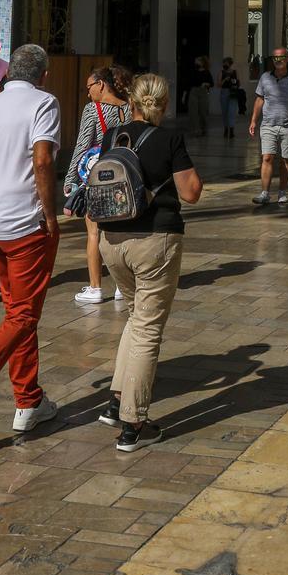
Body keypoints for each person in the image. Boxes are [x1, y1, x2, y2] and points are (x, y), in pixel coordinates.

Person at [96, 72, 203, 451]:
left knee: (135, 319)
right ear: (164, 103)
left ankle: (115, 401)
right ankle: (134, 423)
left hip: (112, 241)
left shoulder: (114, 136)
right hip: (155, 242)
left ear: (134, 102)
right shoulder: (169, 138)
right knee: (147, 329)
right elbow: (191, 193)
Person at [0, 44, 60, 431]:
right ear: (42, 75)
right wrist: (50, 212)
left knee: (17, 313)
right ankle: (24, 398)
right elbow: (42, 159)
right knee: (23, 315)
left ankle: (29, 400)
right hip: (24, 224)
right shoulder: (43, 103)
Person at [66, 64, 132, 305]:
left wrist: (70, 178)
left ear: (101, 84)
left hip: (97, 178)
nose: (88, 93)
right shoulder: (129, 106)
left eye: (89, 87)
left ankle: (95, 288)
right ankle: (120, 286)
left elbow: (82, 146)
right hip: (123, 176)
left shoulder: (93, 110)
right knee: (119, 231)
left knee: (94, 233)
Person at [249, 49, 288, 207]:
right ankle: (265, 193)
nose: (278, 60)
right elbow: (259, 100)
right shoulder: (265, 77)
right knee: (267, 157)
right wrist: (253, 120)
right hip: (268, 124)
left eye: (281, 57)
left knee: (285, 160)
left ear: (287, 59)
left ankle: (282, 192)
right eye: (275, 57)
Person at [186, 56, 213, 136]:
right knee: (193, 111)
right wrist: (185, 94)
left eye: (197, 61)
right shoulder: (193, 71)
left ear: (202, 63)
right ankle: (195, 130)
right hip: (193, 91)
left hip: (203, 92)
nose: (196, 63)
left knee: (203, 112)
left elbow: (211, 83)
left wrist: (206, 84)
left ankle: (203, 129)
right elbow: (188, 83)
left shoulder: (207, 72)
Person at [218, 57, 241, 139]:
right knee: (224, 112)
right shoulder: (222, 72)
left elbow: (239, 83)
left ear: (230, 64)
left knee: (231, 112)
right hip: (224, 92)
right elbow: (219, 84)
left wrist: (235, 82)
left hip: (233, 93)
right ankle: (226, 129)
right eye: (224, 63)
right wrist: (225, 79)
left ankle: (231, 130)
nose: (224, 65)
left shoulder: (235, 72)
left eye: (226, 63)